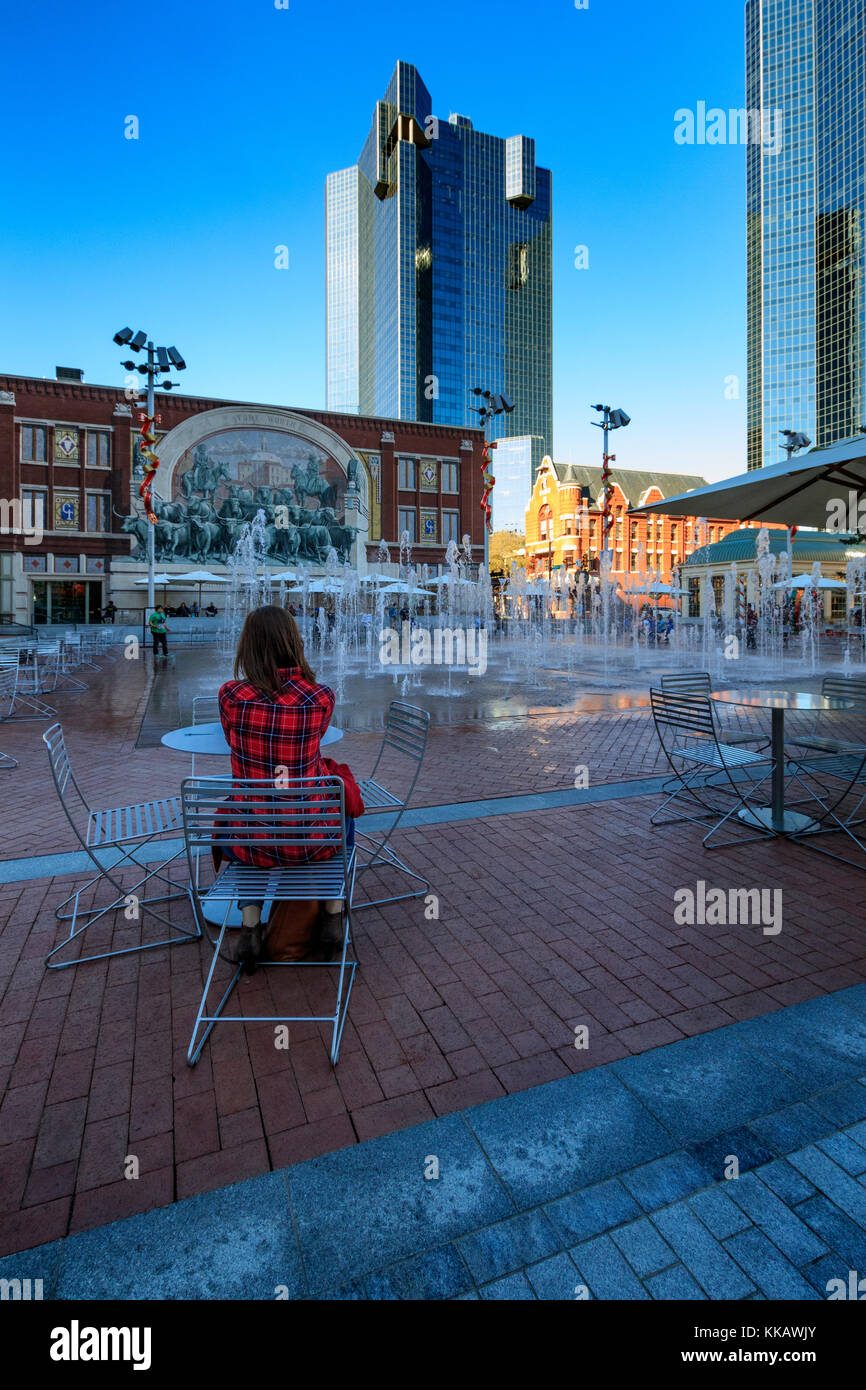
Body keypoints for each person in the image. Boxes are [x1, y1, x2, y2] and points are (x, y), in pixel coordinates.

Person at [218, 606, 363, 972]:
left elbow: (230, 739)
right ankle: (333, 913)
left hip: (254, 841)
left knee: (243, 816)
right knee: (340, 805)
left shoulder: (231, 697)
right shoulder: (321, 697)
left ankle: (250, 927)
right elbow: (316, 742)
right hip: (311, 837)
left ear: (248, 646)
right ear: (294, 642)